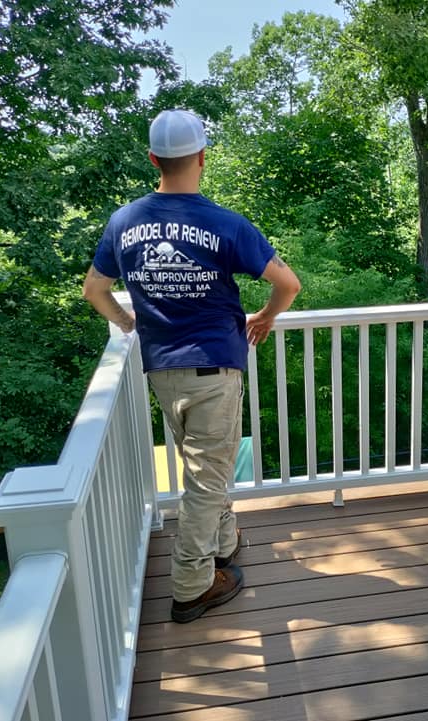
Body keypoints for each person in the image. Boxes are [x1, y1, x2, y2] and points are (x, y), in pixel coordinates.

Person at [82, 109, 301, 623]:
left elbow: (95, 290)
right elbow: (288, 284)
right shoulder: (225, 224)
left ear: (153, 159)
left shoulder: (124, 222)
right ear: (202, 158)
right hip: (214, 370)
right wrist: (266, 316)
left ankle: (224, 543)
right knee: (205, 481)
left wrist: (129, 323)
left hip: (163, 371)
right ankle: (191, 586)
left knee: (205, 467)